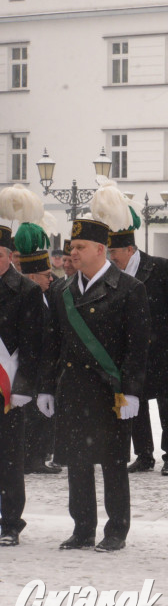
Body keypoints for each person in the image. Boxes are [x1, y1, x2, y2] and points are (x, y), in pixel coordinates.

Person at [41, 214, 151, 553]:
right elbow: (53, 344)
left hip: (110, 391)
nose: (72, 253)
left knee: (113, 462)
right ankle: (83, 528)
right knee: (77, 462)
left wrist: (131, 391)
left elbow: (137, 347)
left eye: (80, 247)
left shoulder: (130, 289)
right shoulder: (62, 290)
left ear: (100, 249)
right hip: (73, 389)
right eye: (72, 247)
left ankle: (116, 528)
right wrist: (46, 386)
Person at [108, 219, 168, 476]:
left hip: (164, 351)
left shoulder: (160, 267)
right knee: (136, 405)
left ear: (130, 249)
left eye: (115, 253)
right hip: (134, 353)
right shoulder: (113, 275)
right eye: (109, 253)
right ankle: (144, 455)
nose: (112, 258)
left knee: (167, 406)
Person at [0, 220, 46, 546]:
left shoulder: (26, 291)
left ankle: (11, 521)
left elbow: (34, 346)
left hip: (9, 389)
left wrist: (24, 387)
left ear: (10, 256)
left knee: (9, 457)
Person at [14, 222, 61, 476]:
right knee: (31, 416)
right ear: (32, 277)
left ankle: (38, 456)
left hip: (45, 366)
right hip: (29, 366)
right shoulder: (27, 296)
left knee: (42, 415)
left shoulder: (47, 294)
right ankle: (30, 459)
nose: (51, 278)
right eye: (46, 274)